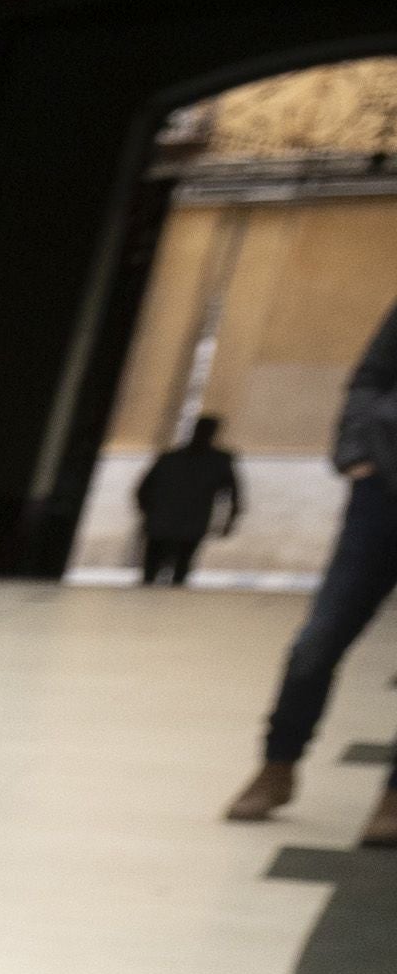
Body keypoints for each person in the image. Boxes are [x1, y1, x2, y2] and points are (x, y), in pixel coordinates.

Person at [224, 299, 396, 833]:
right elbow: (369, 378)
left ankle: (393, 799)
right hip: (384, 490)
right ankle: (278, 765)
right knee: (317, 642)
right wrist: (356, 456)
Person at [133, 411, 244, 586]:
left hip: (176, 522)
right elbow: (233, 492)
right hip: (173, 522)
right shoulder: (212, 462)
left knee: (166, 569)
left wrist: (147, 512)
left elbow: (144, 488)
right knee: (163, 569)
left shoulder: (178, 460)